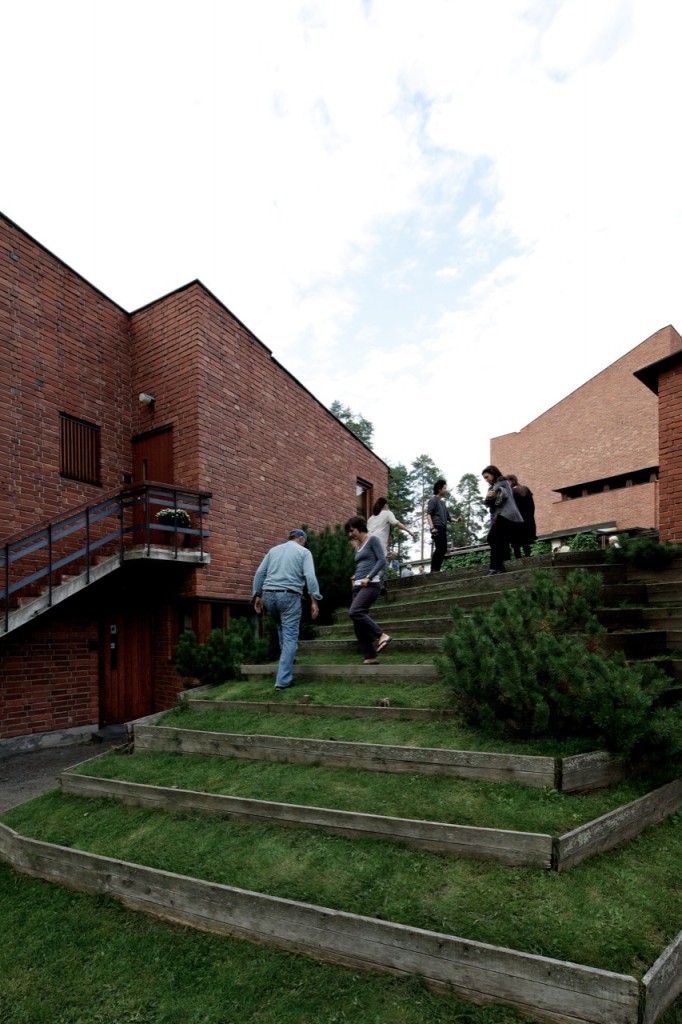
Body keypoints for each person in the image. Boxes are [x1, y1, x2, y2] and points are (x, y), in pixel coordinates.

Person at [252, 528, 322, 690]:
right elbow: (310, 577)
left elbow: (260, 573)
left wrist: (258, 595)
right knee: (290, 636)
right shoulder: (304, 552)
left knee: (281, 627)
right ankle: (283, 681)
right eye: (305, 541)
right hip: (289, 596)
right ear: (301, 538)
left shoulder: (273, 550)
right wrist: (314, 600)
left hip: (269, 596)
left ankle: (288, 658)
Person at [345, 515, 390, 664]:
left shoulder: (373, 540)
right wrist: (355, 576)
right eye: (348, 532)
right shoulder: (359, 546)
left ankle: (381, 635)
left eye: (351, 531)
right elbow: (363, 564)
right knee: (357, 625)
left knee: (355, 611)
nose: (350, 534)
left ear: (359, 528)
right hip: (358, 585)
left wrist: (369, 577)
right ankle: (370, 656)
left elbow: (382, 560)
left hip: (370, 585)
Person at [481, 465, 524, 575]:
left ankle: (494, 567)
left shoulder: (502, 481)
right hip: (505, 515)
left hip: (507, 514)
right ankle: (500, 566)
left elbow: (503, 491)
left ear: (493, 473)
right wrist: (490, 496)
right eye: (484, 478)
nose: (486, 480)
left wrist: (494, 493)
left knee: (492, 538)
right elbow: (490, 505)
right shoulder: (492, 487)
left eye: (487, 477)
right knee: (501, 541)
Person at [507, 474, 537, 558]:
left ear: (512, 481)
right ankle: (528, 556)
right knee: (525, 541)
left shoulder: (510, 492)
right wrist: (530, 517)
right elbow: (531, 506)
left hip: (514, 521)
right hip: (526, 519)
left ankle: (518, 558)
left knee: (515, 542)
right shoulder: (525, 489)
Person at [426, 478, 452, 572]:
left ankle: (437, 569)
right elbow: (428, 514)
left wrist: (457, 520)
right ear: (439, 489)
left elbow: (449, 518)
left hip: (443, 527)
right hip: (436, 527)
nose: (446, 490)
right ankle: (434, 569)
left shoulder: (443, 503)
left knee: (443, 549)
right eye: (444, 488)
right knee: (440, 548)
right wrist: (432, 527)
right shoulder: (433, 500)